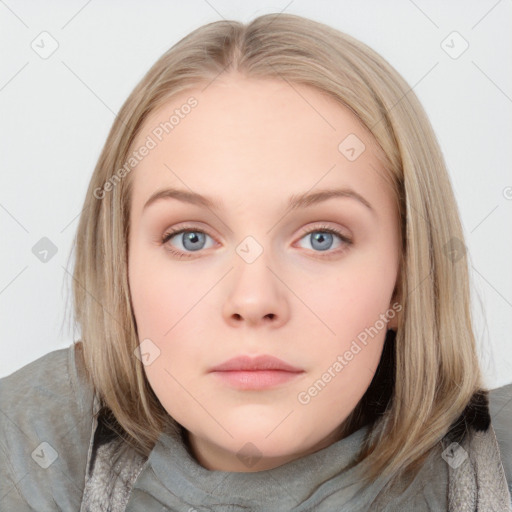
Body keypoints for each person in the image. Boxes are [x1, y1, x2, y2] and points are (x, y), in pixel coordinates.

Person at [1, 12, 511, 512]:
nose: (252, 300)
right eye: (193, 238)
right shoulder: (28, 446)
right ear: (121, 271)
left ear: (405, 277)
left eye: (321, 239)